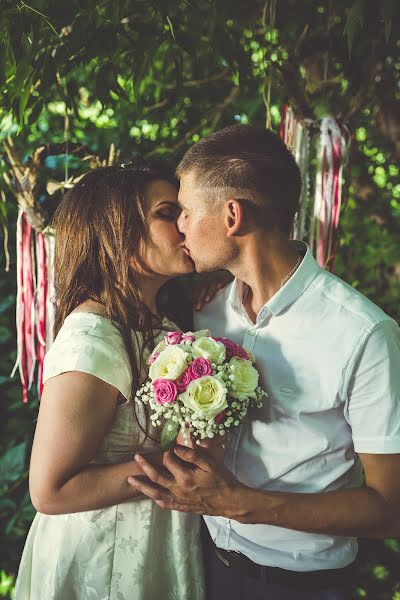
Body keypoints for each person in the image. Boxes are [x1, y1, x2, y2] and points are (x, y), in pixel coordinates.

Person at [128, 125, 400, 600]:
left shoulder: (364, 334)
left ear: (232, 215)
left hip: (306, 586)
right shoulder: (205, 308)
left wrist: (242, 505)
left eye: (188, 211)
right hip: (203, 566)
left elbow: (389, 508)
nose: (181, 227)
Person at [14, 161, 206, 600]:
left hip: (161, 544)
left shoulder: (161, 324)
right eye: (167, 212)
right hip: (104, 557)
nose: (184, 224)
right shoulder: (93, 336)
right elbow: (50, 490)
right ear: (118, 229)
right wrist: (184, 464)